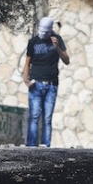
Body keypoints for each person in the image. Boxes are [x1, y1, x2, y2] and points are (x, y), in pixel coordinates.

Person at [23, 17, 70, 147]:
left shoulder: (57, 39)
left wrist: (57, 48)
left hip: (51, 85)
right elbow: (27, 62)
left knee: (47, 118)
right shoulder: (33, 41)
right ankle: (31, 146)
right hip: (36, 83)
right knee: (34, 116)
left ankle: (46, 146)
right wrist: (26, 79)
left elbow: (66, 60)